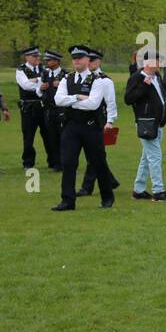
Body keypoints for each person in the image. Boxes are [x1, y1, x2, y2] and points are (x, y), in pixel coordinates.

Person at [51, 46, 117, 211]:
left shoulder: (98, 80)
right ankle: (67, 201)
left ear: (88, 60)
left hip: (91, 127)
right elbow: (58, 100)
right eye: (74, 58)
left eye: (80, 57)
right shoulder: (67, 79)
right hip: (71, 126)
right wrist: (77, 97)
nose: (76, 61)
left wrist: (70, 101)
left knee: (98, 162)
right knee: (68, 163)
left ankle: (107, 197)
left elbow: (93, 104)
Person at [124, 49, 166, 201]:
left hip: (158, 123)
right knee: (155, 156)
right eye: (157, 61)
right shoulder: (137, 78)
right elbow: (128, 99)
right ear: (147, 63)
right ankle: (158, 191)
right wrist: (144, 86)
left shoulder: (157, 76)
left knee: (147, 158)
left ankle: (138, 190)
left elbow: (161, 95)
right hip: (145, 123)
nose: (159, 64)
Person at [76, 49, 120, 198]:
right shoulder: (84, 78)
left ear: (98, 61)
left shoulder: (104, 80)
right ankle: (110, 180)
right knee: (96, 154)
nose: (89, 63)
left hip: (99, 120)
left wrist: (110, 121)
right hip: (83, 120)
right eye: (88, 60)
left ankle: (87, 187)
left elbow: (110, 101)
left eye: (92, 61)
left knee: (94, 154)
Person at [14, 46, 46, 169]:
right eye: (34, 56)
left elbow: (48, 82)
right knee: (28, 135)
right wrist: (40, 81)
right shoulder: (21, 70)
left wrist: (34, 80)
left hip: (43, 106)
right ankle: (28, 162)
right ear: (27, 57)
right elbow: (26, 85)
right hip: (28, 107)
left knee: (48, 135)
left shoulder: (43, 68)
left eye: (38, 56)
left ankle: (54, 162)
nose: (38, 58)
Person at [39, 49, 66, 172]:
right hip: (49, 110)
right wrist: (41, 88)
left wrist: (60, 85)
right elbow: (39, 92)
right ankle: (55, 163)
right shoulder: (45, 74)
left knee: (63, 137)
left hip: (61, 110)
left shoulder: (65, 74)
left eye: (49, 60)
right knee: (52, 137)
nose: (47, 62)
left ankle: (65, 163)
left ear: (56, 61)